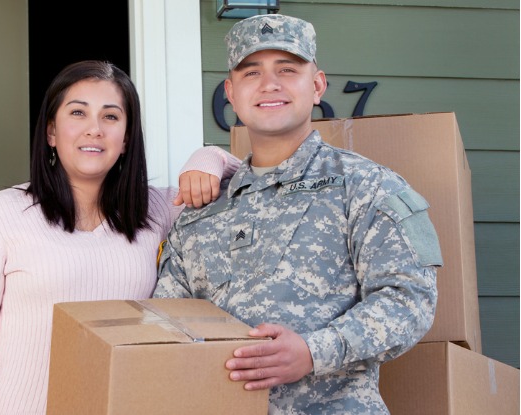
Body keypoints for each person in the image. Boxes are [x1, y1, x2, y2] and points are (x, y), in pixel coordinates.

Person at [154, 14, 442, 413]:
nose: (270, 84)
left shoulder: (367, 186)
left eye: (287, 69)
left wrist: (312, 351)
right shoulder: (200, 214)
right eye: (251, 72)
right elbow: (167, 326)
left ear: (318, 85)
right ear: (231, 93)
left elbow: (410, 299)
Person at [0, 60, 241, 414]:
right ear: (52, 132)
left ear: (127, 138)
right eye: (78, 113)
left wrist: (207, 157)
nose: (94, 129)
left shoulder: (156, 211)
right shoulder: (2, 213)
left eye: (111, 117)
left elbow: (250, 182)